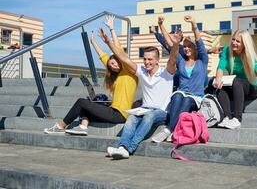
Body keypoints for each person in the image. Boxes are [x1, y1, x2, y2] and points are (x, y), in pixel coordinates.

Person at [44, 15, 138, 136]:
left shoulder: (129, 72)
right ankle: (83, 126)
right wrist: (93, 42)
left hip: (119, 114)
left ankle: (60, 126)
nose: (113, 66)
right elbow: (103, 56)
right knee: (87, 105)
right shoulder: (117, 72)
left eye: (115, 62)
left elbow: (119, 50)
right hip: (113, 111)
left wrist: (112, 29)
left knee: (81, 102)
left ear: (120, 60)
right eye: (111, 65)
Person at [99, 27, 182, 159]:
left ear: (157, 60)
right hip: (144, 109)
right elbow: (123, 58)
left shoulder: (166, 72)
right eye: (145, 59)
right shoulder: (142, 71)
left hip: (162, 112)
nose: (146, 62)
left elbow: (173, 59)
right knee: (132, 117)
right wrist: (108, 42)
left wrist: (176, 44)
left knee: (149, 116)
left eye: (150, 59)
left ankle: (129, 148)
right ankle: (122, 147)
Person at [152, 15, 209, 143]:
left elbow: (199, 41)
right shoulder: (181, 61)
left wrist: (194, 24)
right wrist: (161, 25)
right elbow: (171, 44)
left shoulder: (202, 60)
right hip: (181, 92)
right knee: (177, 96)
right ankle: (171, 130)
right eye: (185, 46)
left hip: (195, 96)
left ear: (195, 48)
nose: (187, 48)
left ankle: (169, 129)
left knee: (187, 99)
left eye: (190, 46)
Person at [212, 29, 257, 129]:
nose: (234, 43)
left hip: (251, 89)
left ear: (244, 44)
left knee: (237, 81)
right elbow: (220, 67)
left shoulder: (248, 54)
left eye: (238, 41)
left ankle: (237, 119)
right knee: (218, 85)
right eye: (233, 39)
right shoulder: (226, 50)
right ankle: (227, 117)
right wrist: (218, 79)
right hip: (236, 89)